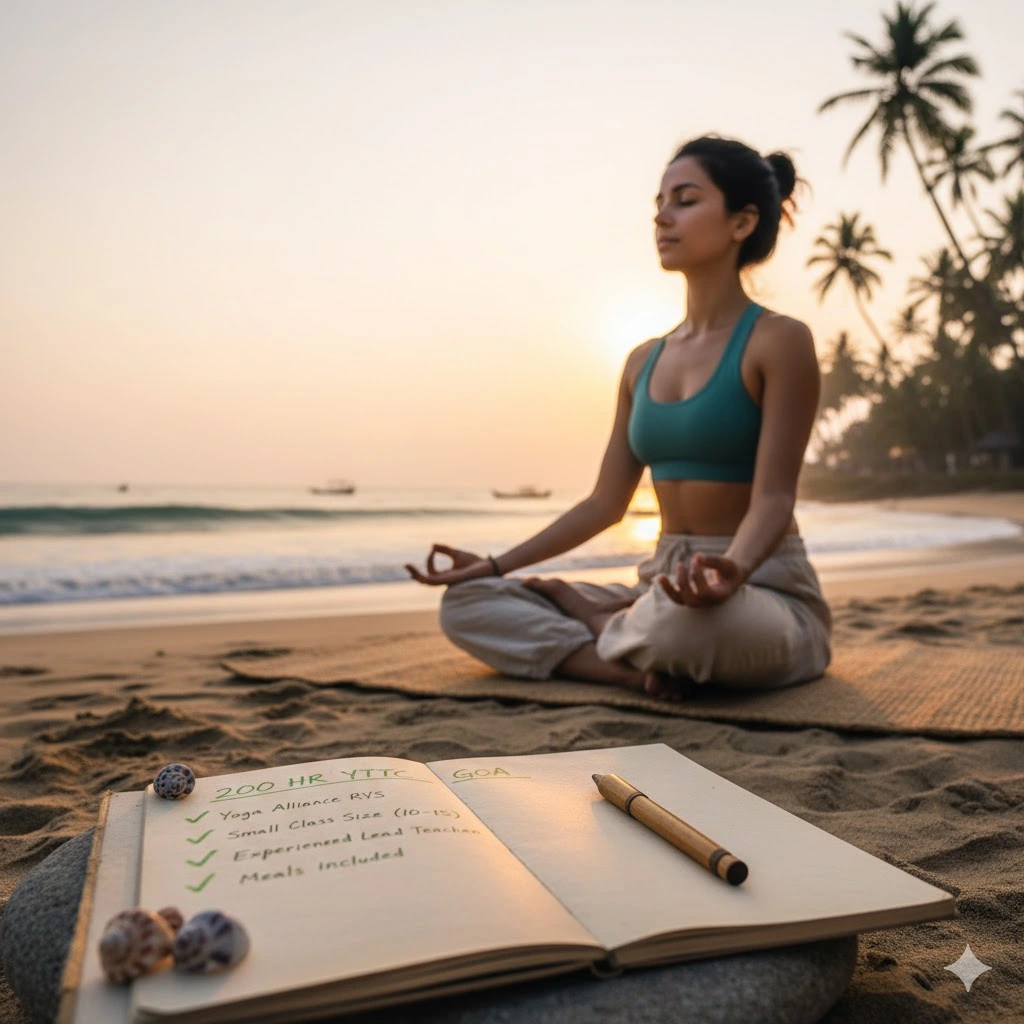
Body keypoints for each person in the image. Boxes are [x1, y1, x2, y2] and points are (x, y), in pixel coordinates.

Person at [404, 135, 831, 701]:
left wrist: (733, 569)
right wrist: (491, 566)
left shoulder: (779, 341)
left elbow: (774, 498)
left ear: (742, 222)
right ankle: (627, 669)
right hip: (662, 585)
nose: (662, 216)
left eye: (685, 200)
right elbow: (605, 503)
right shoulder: (640, 361)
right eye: (659, 202)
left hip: (763, 587)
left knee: (687, 626)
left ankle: (599, 622)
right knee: (467, 604)